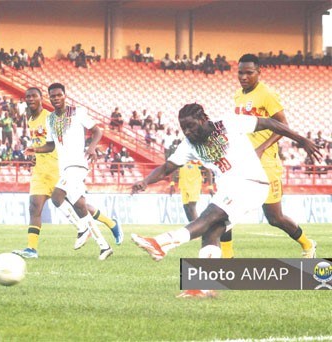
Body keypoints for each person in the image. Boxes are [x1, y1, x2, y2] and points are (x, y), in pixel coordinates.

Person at [130, 103, 321, 298]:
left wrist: (301, 140)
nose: (187, 132)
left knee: (210, 215)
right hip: (230, 188)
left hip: (251, 183)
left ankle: (162, 243)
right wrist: (145, 181)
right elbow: (166, 168)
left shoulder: (228, 123)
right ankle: (203, 287)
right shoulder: (189, 145)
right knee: (212, 231)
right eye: (183, 128)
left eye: (191, 126)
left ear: (203, 119)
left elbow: (270, 122)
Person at [220, 53, 316, 259]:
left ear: (258, 72)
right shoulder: (238, 95)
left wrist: (262, 148)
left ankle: (307, 244)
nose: (243, 77)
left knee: (274, 217)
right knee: (224, 207)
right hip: (243, 162)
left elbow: (283, 126)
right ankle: (227, 259)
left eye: (249, 73)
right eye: (240, 72)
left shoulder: (267, 95)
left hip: (266, 164)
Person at [12, 88, 122, 259]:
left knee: (66, 201)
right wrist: (35, 151)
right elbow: (50, 145)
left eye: (34, 96)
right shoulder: (45, 119)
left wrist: (92, 147)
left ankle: (90, 227)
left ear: (43, 99)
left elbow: (97, 130)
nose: (31, 99)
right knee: (45, 206)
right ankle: (104, 245)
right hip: (48, 170)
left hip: (68, 166)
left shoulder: (71, 114)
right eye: (28, 97)